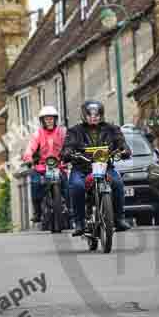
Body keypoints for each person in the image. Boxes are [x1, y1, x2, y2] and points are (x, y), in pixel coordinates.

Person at [61, 100, 131, 236]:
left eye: (97, 115)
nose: (94, 117)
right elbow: (67, 146)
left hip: (105, 167)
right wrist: (68, 152)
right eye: (90, 115)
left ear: (101, 115)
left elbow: (121, 143)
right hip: (82, 168)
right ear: (84, 116)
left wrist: (125, 150)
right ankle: (79, 223)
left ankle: (118, 219)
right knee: (77, 186)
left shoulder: (112, 129)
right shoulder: (74, 131)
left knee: (117, 183)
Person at [22, 105, 68, 223]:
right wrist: (28, 157)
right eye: (46, 119)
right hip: (41, 167)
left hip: (59, 166)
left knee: (68, 186)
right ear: (42, 121)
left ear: (55, 119)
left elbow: (69, 146)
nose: (49, 121)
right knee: (35, 183)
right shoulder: (38, 134)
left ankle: (70, 208)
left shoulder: (62, 132)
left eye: (51, 118)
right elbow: (30, 148)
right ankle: (37, 212)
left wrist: (69, 155)